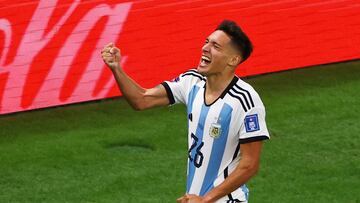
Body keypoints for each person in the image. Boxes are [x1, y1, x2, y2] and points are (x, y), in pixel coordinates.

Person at [101, 20, 270, 203]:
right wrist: (117, 69)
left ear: (233, 60)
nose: (205, 48)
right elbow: (142, 99)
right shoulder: (192, 82)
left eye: (216, 46)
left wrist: (205, 200)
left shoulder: (246, 101)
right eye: (207, 41)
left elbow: (250, 165)